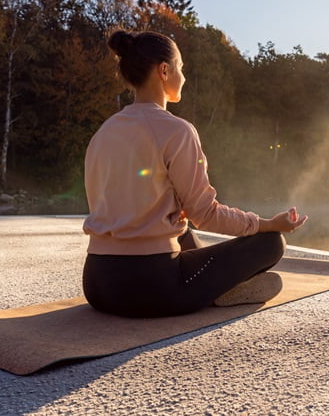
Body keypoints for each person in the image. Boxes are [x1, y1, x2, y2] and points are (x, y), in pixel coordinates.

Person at [82, 29, 307, 318]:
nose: (183, 77)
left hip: (97, 284)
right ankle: (221, 291)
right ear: (164, 70)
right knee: (272, 243)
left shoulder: (103, 132)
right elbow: (207, 214)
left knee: (184, 227)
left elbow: (118, 203)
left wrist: (173, 207)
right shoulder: (177, 130)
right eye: (181, 68)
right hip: (151, 288)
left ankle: (215, 288)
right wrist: (268, 224)